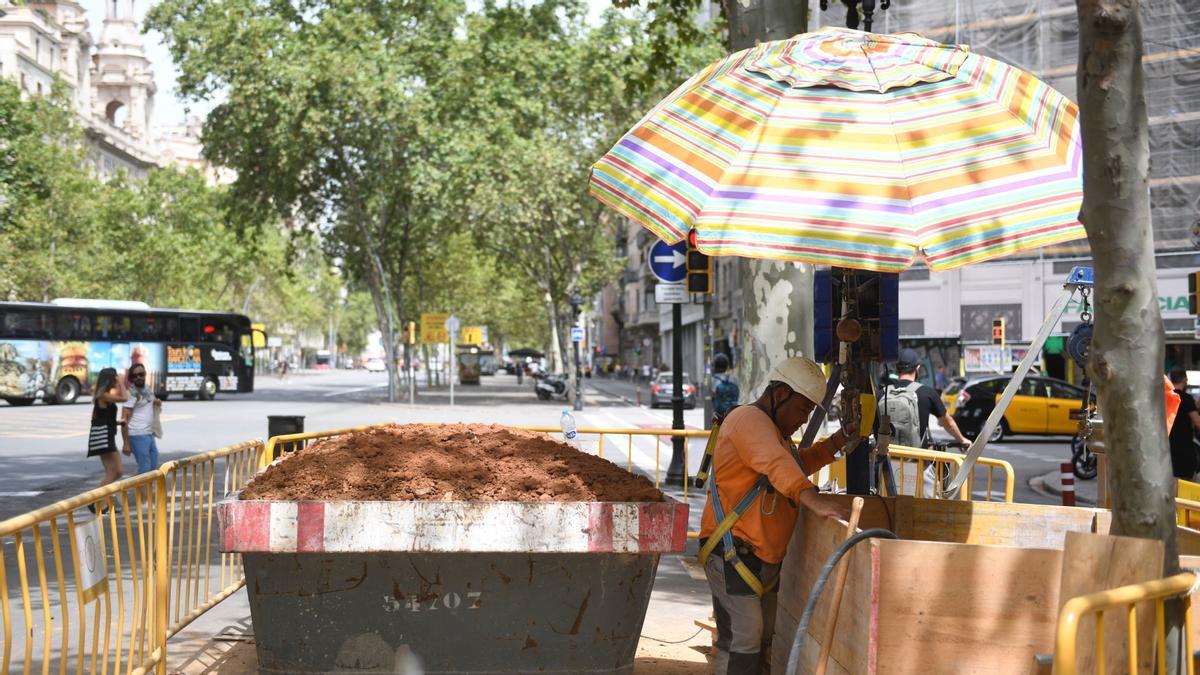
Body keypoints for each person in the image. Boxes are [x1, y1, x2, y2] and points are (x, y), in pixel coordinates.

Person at [698, 356, 854, 674]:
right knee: (743, 640)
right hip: (732, 552)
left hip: (760, 558)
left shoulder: (774, 432)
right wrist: (813, 498)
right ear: (779, 393)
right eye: (801, 409)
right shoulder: (748, 420)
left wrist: (836, 443)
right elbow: (777, 466)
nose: (802, 419)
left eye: (808, 413)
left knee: (761, 639)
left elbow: (793, 465)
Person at [880, 348, 969, 449]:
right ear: (917, 368)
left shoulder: (882, 393)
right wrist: (962, 440)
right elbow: (948, 423)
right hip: (917, 460)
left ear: (897, 369)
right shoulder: (927, 393)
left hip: (886, 459)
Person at [88, 367, 128, 490]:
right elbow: (125, 398)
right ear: (109, 380)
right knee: (117, 471)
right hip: (103, 438)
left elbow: (102, 419)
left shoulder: (104, 395)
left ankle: (102, 503)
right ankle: (94, 499)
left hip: (105, 436)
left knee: (113, 472)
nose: (116, 381)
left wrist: (117, 423)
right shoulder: (103, 396)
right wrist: (122, 382)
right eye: (114, 379)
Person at [121, 363, 162, 474]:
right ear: (131, 378)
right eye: (135, 376)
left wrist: (156, 402)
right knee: (145, 470)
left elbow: (151, 402)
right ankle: (144, 491)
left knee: (153, 469)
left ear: (145, 374)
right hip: (137, 435)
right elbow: (123, 419)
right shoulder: (131, 394)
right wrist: (126, 443)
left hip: (149, 434)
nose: (138, 377)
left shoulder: (148, 390)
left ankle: (140, 489)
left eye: (141, 374)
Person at [1168, 369, 1200, 480]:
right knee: (1186, 486)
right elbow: (1197, 422)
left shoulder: (1165, 398)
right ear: (1184, 380)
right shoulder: (1186, 398)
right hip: (1184, 451)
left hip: (1167, 450)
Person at [711, 353, 740, 421]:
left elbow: (712, 397)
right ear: (727, 366)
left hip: (718, 416)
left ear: (715, 366)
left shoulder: (713, 380)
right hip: (733, 413)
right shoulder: (734, 379)